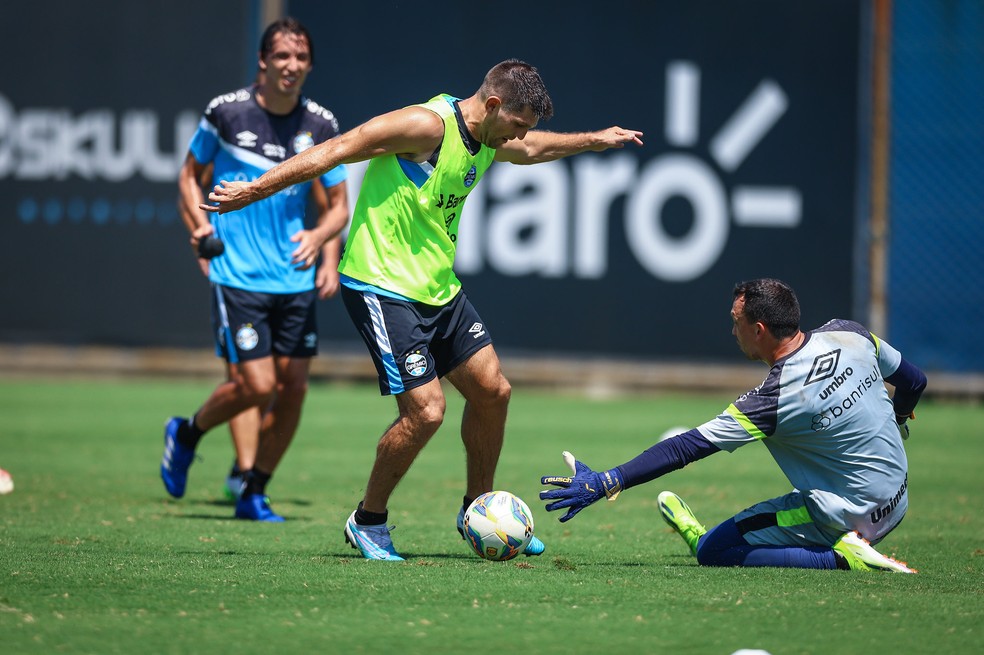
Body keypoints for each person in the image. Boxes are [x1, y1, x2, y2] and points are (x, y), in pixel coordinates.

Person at [201, 59, 644, 559]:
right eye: (517, 124)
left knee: (493, 392)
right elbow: (338, 148)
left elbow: (532, 147)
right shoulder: (426, 126)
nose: (519, 136)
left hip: (437, 287)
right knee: (426, 412)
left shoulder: (491, 138)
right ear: (493, 105)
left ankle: (478, 507)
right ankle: (368, 520)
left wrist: (594, 139)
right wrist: (253, 191)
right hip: (381, 285)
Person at [540, 278, 927, 573]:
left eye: (736, 322)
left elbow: (684, 447)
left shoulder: (773, 398)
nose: (732, 330)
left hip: (852, 517)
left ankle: (841, 558)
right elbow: (914, 382)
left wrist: (607, 480)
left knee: (715, 552)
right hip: (899, 499)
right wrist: (896, 417)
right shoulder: (850, 332)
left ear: (758, 330)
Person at [162, 17, 350, 522]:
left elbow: (338, 206)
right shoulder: (226, 113)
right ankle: (188, 432)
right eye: (282, 56)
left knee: (294, 391)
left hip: (293, 276)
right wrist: (200, 229)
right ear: (263, 62)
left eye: (301, 57)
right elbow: (188, 177)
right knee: (257, 386)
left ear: (309, 65)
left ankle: (253, 489)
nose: (291, 66)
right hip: (238, 274)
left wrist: (319, 240)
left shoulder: (321, 125)